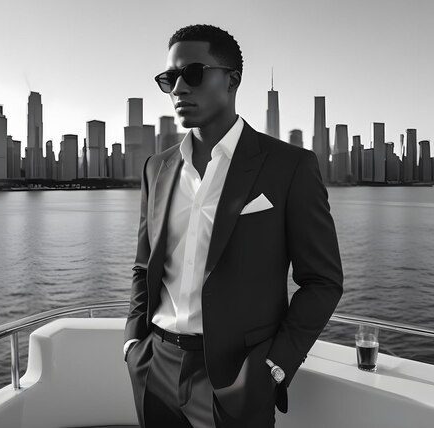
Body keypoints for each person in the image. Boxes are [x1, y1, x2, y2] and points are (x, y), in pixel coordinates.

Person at [124, 24, 343, 428]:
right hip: (155, 367)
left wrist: (274, 366)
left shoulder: (289, 167)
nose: (178, 89)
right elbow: (144, 266)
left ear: (232, 80)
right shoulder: (157, 168)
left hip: (236, 378)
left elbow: (323, 280)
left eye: (191, 74)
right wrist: (134, 342)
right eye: (168, 79)